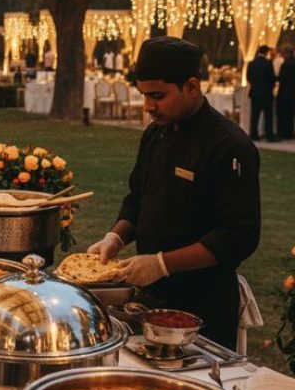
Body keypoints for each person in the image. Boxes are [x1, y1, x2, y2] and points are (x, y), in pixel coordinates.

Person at [88, 36, 260, 349]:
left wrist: (162, 264)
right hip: (149, 298)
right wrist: (115, 237)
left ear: (192, 86)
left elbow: (238, 236)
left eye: (158, 96)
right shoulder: (156, 134)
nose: (148, 107)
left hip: (203, 304)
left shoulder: (229, 146)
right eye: (143, 95)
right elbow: (137, 199)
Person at [247, 45, 278, 142]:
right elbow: (272, 78)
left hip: (255, 94)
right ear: (266, 52)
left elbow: (248, 77)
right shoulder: (268, 63)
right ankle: (269, 135)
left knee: (255, 116)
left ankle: (254, 134)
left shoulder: (252, 63)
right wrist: (271, 88)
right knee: (268, 116)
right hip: (266, 94)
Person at [277, 46, 295, 139]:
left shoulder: (286, 65)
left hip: (285, 92)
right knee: (290, 114)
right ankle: (289, 132)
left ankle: (284, 133)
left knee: (284, 114)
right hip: (292, 92)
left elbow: (282, 78)